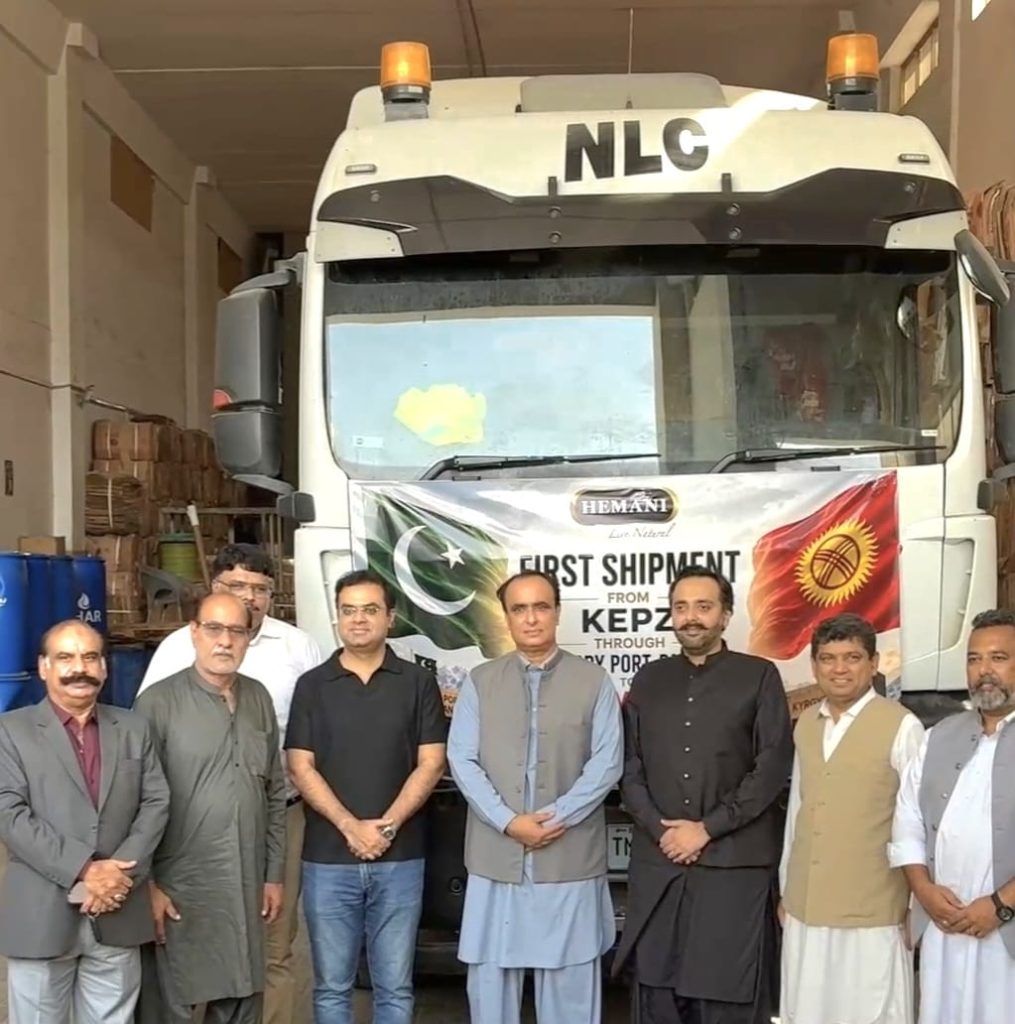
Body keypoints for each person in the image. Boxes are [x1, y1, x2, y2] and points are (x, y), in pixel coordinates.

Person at [137, 543, 322, 1024]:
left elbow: (273, 789)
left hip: (251, 860)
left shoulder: (257, 696)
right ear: (194, 633)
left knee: (251, 971)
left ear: (248, 635)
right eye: (214, 629)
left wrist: (272, 875)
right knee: (177, 981)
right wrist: (147, 883)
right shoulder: (159, 701)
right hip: (185, 867)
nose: (225, 641)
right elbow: (136, 796)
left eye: (237, 631)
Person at [614, 565, 793, 1024]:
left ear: (726, 615)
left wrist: (707, 829)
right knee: (657, 993)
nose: (691, 617)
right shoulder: (649, 679)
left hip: (733, 866)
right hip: (660, 864)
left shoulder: (759, 676)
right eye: (681, 607)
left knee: (726, 994)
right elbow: (629, 767)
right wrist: (663, 831)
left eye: (703, 606)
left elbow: (771, 767)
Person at [448, 569, 623, 1024]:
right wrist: (509, 822)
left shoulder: (594, 681)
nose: (530, 618)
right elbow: (461, 759)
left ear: (557, 613)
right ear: (506, 617)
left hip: (568, 857)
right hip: (496, 858)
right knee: (491, 980)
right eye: (519, 609)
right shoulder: (480, 681)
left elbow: (607, 763)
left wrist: (554, 818)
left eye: (541, 607)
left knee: (570, 982)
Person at [285, 569, 447, 1024]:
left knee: (395, 988)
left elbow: (432, 762)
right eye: (349, 610)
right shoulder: (312, 685)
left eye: (370, 609)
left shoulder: (417, 682)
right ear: (337, 618)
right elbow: (299, 765)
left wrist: (386, 827)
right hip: (328, 859)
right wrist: (350, 827)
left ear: (390, 618)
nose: (358, 619)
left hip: (401, 859)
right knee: (331, 989)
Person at [0, 620, 169, 1024]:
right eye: (65, 657)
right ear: (44, 667)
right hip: (42, 916)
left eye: (90, 657)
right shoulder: (10, 731)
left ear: (105, 668)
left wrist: (117, 875)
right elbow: (9, 813)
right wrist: (85, 869)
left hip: (117, 908)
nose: (80, 668)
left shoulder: (133, 727)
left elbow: (156, 802)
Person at [780, 613, 924, 1024]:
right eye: (828, 658)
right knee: (808, 1009)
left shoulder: (902, 726)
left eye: (852, 657)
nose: (839, 669)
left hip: (874, 910)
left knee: (869, 1011)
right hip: (807, 905)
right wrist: (787, 888)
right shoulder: (807, 724)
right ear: (814, 666)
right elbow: (799, 811)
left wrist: (914, 905)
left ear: (873, 663)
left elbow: (917, 819)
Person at [890, 607, 1015, 1024]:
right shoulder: (939, 736)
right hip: (944, 926)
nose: (984, 671)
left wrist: (1000, 906)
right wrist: (923, 890)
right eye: (974, 659)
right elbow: (907, 819)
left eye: (998, 658)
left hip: (1005, 931)